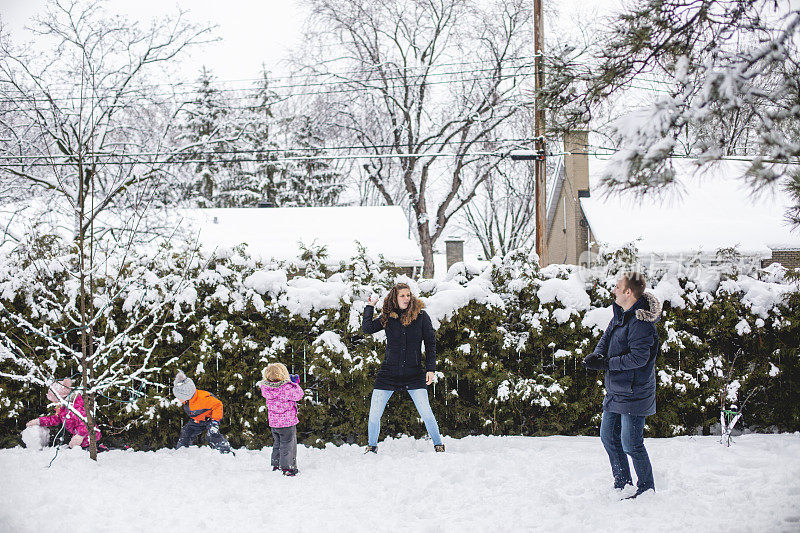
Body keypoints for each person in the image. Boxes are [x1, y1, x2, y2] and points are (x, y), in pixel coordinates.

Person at [582, 272, 662, 499]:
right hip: (617, 390)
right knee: (608, 437)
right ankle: (623, 483)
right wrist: (597, 356)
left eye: (618, 287)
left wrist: (606, 363)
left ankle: (646, 489)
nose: (614, 290)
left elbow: (639, 358)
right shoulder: (620, 316)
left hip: (635, 393)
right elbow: (606, 339)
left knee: (631, 444)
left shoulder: (641, 324)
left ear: (628, 292)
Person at [362, 282, 444, 453]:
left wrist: (431, 368)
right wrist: (370, 306)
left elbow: (430, 343)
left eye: (408, 295)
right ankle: (371, 447)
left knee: (427, 413)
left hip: (414, 373)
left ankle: (438, 445)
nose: (406, 298)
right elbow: (368, 328)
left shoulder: (421, 316)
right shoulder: (388, 317)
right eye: (402, 295)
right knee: (374, 415)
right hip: (388, 373)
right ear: (395, 297)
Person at [26, 378, 102, 450]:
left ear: (61, 398)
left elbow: (86, 423)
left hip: (91, 440)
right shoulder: (63, 409)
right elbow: (56, 419)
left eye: (55, 401)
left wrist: (80, 436)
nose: (54, 403)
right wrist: (39, 421)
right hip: (80, 442)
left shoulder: (75, 407)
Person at [259, 362, 304, 476]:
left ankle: (276, 464)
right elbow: (299, 395)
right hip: (287, 422)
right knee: (288, 444)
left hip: (274, 423)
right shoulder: (287, 388)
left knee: (278, 443)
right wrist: (295, 384)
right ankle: (288, 467)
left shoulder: (266, 388)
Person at [173, 370, 232, 454]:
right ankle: (181, 451)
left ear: (186, 395)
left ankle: (225, 451)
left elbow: (218, 405)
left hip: (210, 419)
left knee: (212, 434)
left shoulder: (204, 398)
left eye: (179, 397)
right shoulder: (187, 400)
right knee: (186, 431)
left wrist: (215, 422)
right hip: (197, 420)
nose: (178, 399)